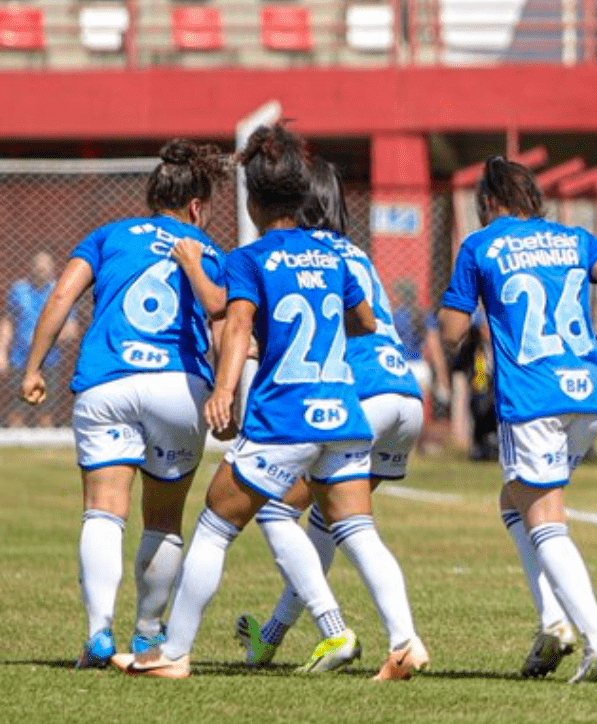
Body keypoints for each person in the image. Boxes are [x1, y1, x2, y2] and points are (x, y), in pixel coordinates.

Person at [115, 123, 426, 680]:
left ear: (253, 200)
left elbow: (237, 326)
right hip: (345, 416)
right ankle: (404, 642)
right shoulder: (335, 256)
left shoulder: (251, 257)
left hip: (286, 416)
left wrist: (225, 390)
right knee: (358, 531)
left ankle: (174, 653)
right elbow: (365, 322)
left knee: (215, 523)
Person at [19, 140, 229, 668]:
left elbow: (62, 295)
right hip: (177, 388)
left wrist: (33, 366)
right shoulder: (209, 249)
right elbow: (225, 323)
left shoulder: (107, 235)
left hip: (107, 383)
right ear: (196, 207)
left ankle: (97, 635)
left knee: (103, 511)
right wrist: (229, 397)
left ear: (152, 196)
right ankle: (147, 635)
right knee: (162, 520)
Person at [438, 155, 597, 683]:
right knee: (516, 502)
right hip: (585, 395)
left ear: (488, 202)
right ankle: (552, 622)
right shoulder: (574, 238)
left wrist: (463, 307)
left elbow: (452, 332)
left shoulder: (480, 246)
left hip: (532, 399)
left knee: (546, 519)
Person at [232, 156, 428, 672]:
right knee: (330, 520)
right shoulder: (353, 252)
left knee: (276, 509)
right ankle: (274, 638)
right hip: (405, 393)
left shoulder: (299, 255)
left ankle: (344, 633)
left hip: (356, 396)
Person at [1, 251, 80, 427]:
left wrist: (44, 339)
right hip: (19, 359)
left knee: (45, 414)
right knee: (16, 412)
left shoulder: (59, 292)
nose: (41, 270)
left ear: (51, 269)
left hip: (48, 361)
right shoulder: (19, 290)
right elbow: (8, 322)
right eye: (38, 266)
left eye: (45, 267)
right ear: (31, 267)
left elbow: (71, 329)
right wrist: (2, 352)